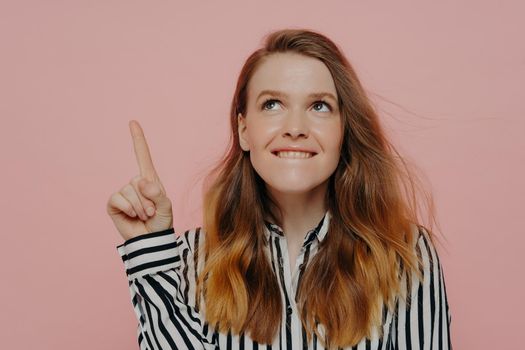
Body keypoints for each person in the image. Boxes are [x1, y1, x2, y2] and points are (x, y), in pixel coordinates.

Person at [107, 28, 452, 349]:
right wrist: (149, 250)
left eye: (319, 106)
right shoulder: (189, 258)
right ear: (244, 129)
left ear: (344, 129)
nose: (295, 127)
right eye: (272, 104)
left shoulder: (404, 255)